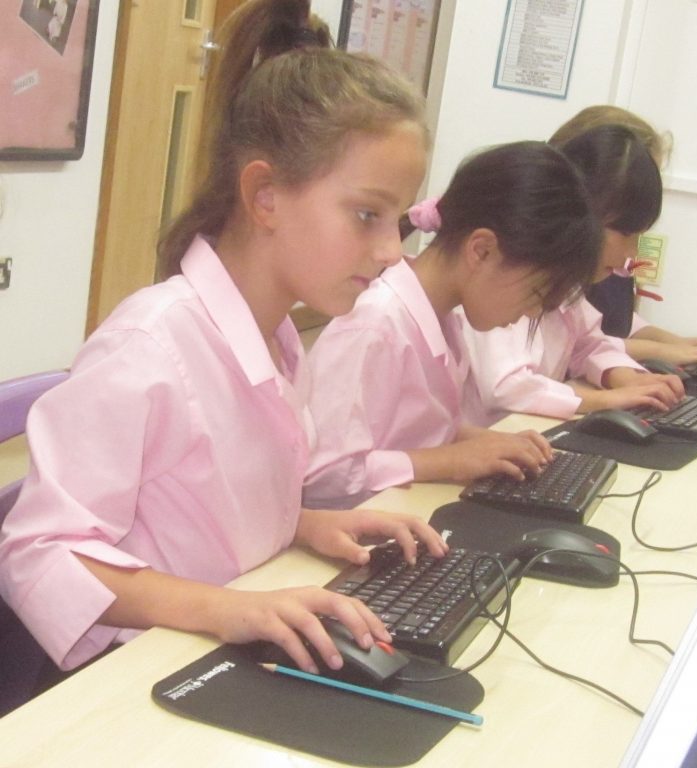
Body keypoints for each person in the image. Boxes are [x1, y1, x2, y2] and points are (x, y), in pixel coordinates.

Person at [0, 0, 446, 683]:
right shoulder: (150, 348)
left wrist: (302, 526)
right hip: (131, 685)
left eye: (398, 224)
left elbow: (201, 509)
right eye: (366, 215)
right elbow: (39, 551)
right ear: (265, 196)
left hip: (209, 653)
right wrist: (224, 610)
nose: (390, 252)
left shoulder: (275, 339)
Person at [303, 140, 601, 510]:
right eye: (536, 294)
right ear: (482, 250)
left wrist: (480, 441)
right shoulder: (375, 323)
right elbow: (324, 475)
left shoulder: (446, 319)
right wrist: (453, 459)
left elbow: (414, 430)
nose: (530, 313)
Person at [459, 124, 687, 427]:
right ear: (583, 212)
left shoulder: (566, 284)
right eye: (627, 233)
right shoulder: (511, 272)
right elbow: (509, 387)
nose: (633, 253)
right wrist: (606, 401)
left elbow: (589, 342)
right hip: (483, 443)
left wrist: (625, 378)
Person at [553, 105, 697, 368]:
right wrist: (658, 351)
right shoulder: (547, 270)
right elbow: (578, 345)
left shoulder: (610, 250)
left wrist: (675, 342)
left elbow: (608, 325)